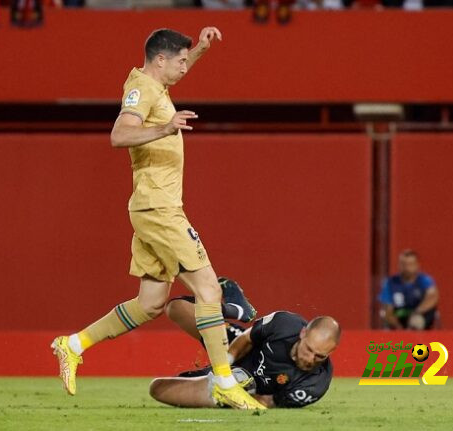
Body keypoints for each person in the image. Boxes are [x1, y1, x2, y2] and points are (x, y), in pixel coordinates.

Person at [51, 27, 266, 410]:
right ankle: (223, 381)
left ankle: (73, 344)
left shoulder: (154, 83)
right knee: (209, 290)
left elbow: (176, 67)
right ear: (160, 60)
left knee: (150, 303)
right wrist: (165, 128)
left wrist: (199, 49)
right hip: (160, 208)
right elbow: (119, 134)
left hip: (152, 207)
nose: (186, 68)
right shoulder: (143, 90)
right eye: (181, 61)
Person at [150, 296, 340, 409]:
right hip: (236, 351)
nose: (310, 359)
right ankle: (232, 307)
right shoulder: (284, 323)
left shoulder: (315, 385)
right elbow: (247, 339)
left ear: (331, 352)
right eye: (308, 349)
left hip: (241, 389)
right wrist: (223, 367)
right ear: (303, 333)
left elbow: (266, 402)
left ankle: (209, 383)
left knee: (157, 389)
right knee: (176, 307)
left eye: (319, 356)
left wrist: (232, 387)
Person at [379, 249, 439, 330]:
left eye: (410, 264)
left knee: (417, 321)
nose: (407, 268)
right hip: (399, 317)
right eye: (403, 264)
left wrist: (417, 312)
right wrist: (397, 326)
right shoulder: (391, 283)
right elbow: (388, 309)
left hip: (419, 315)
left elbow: (432, 298)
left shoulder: (424, 280)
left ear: (417, 265)